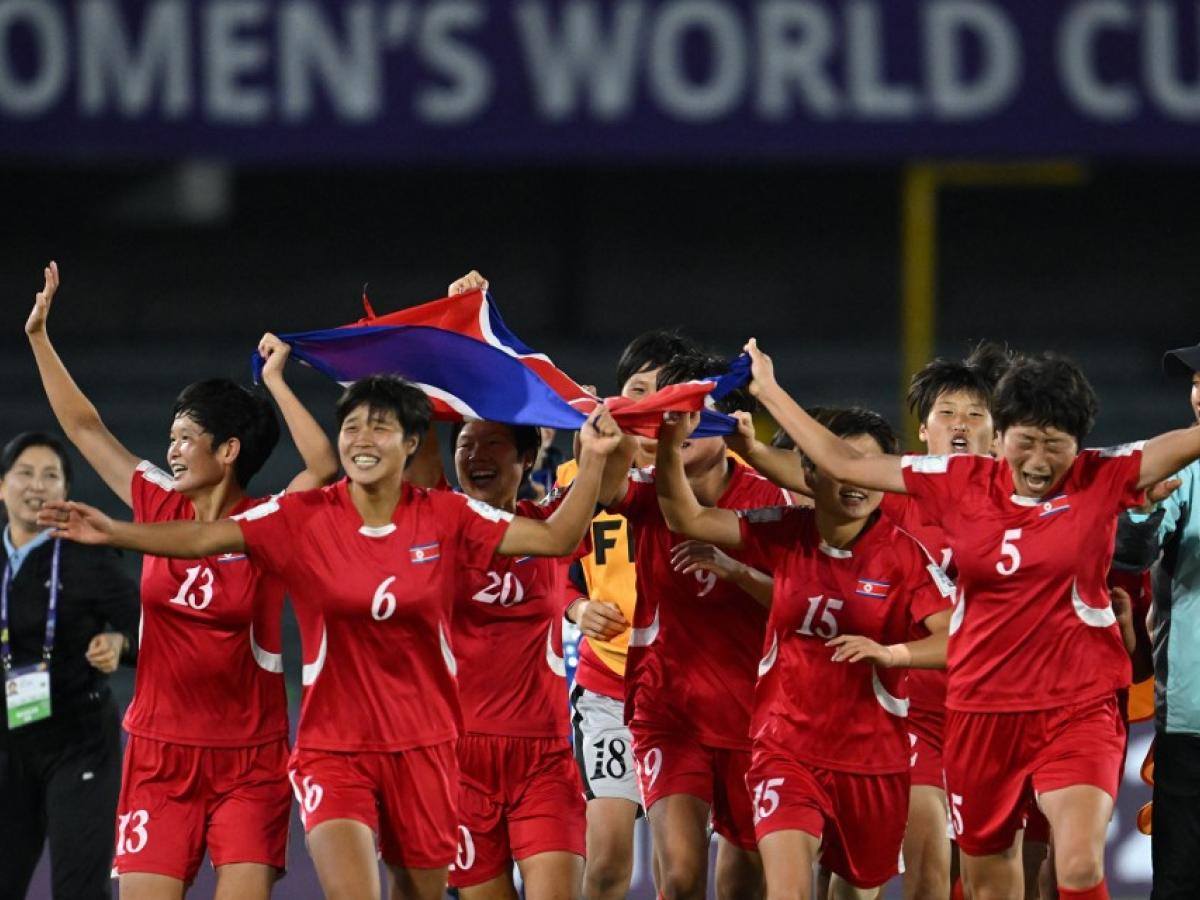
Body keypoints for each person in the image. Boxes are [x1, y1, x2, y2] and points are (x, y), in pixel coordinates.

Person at [39, 376, 624, 900]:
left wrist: (594, 458)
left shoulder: (446, 517)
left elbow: (555, 539)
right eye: (350, 426)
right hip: (329, 751)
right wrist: (116, 529)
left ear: (411, 444)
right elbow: (201, 539)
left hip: (426, 748)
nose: (362, 438)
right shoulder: (303, 518)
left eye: (380, 426)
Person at [741, 338, 1200, 900]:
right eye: (1025, 442)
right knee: (987, 886)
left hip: (1076, 709)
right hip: (981, 714)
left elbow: (1184, 442)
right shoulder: (956, 480)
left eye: (1055, 446)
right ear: (1001, 435)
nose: (1037, 461)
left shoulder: (1102, 474)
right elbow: (843, 463)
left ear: (1078, 445)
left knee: (1076, 867)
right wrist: (768, 390)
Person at [25, 261, 338, 899]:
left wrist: (275, 381)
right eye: (170, 436)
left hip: (249, 762)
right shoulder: (154, 500)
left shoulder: (272, 522)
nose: (170, 450)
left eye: (185, 437)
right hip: (158, 756)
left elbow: (324, 466)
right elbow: (85, 427)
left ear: (227, 450)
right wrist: (38, 337)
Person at [655, 405, 952, 900]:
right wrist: (668, 444)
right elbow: (685, 516)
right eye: (841, 464)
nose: (856, 481)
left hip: (872, 763)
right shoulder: (783, 529)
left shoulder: (904, 556)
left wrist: (892, 654)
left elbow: (957, 638)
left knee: (853, 893)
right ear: (811, 472)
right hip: (784, 749)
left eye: (868, 467)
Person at [597, 352, 788, 900]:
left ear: (727, 426)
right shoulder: (649, 488)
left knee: (742, 882)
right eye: (669, 415)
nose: (678, 427)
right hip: (668, 710)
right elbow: (610, 488)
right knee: (680, 877)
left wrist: (736, 571)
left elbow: (796, 599)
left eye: (694, 414)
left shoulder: (769, 500)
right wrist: (610, 431)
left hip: (752, 718)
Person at [443, 418, 599, 900]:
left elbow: (604, 489)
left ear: (527, 459)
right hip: (456, 759)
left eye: (493, 444)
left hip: (543, 759)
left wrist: (595, 448)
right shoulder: (435, 530)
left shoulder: (551, 526)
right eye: (465, 445)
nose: (476, 456)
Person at [0, 432, 139, 900]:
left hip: (79, 744)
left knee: (78, 890)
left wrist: (120, 644)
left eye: (50, 476)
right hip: (7, 745)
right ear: (1, 486)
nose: (36, 485)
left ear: (64, 493)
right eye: (24, 473)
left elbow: (150, 629)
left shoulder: (88, 558)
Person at [1112, 340, 1200, 899]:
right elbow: (1129, 556)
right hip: (1191, 724)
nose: (1199, 393)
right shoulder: (1180, 471)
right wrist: (1140, 508)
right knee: (1181, 883)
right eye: (1197, 382)